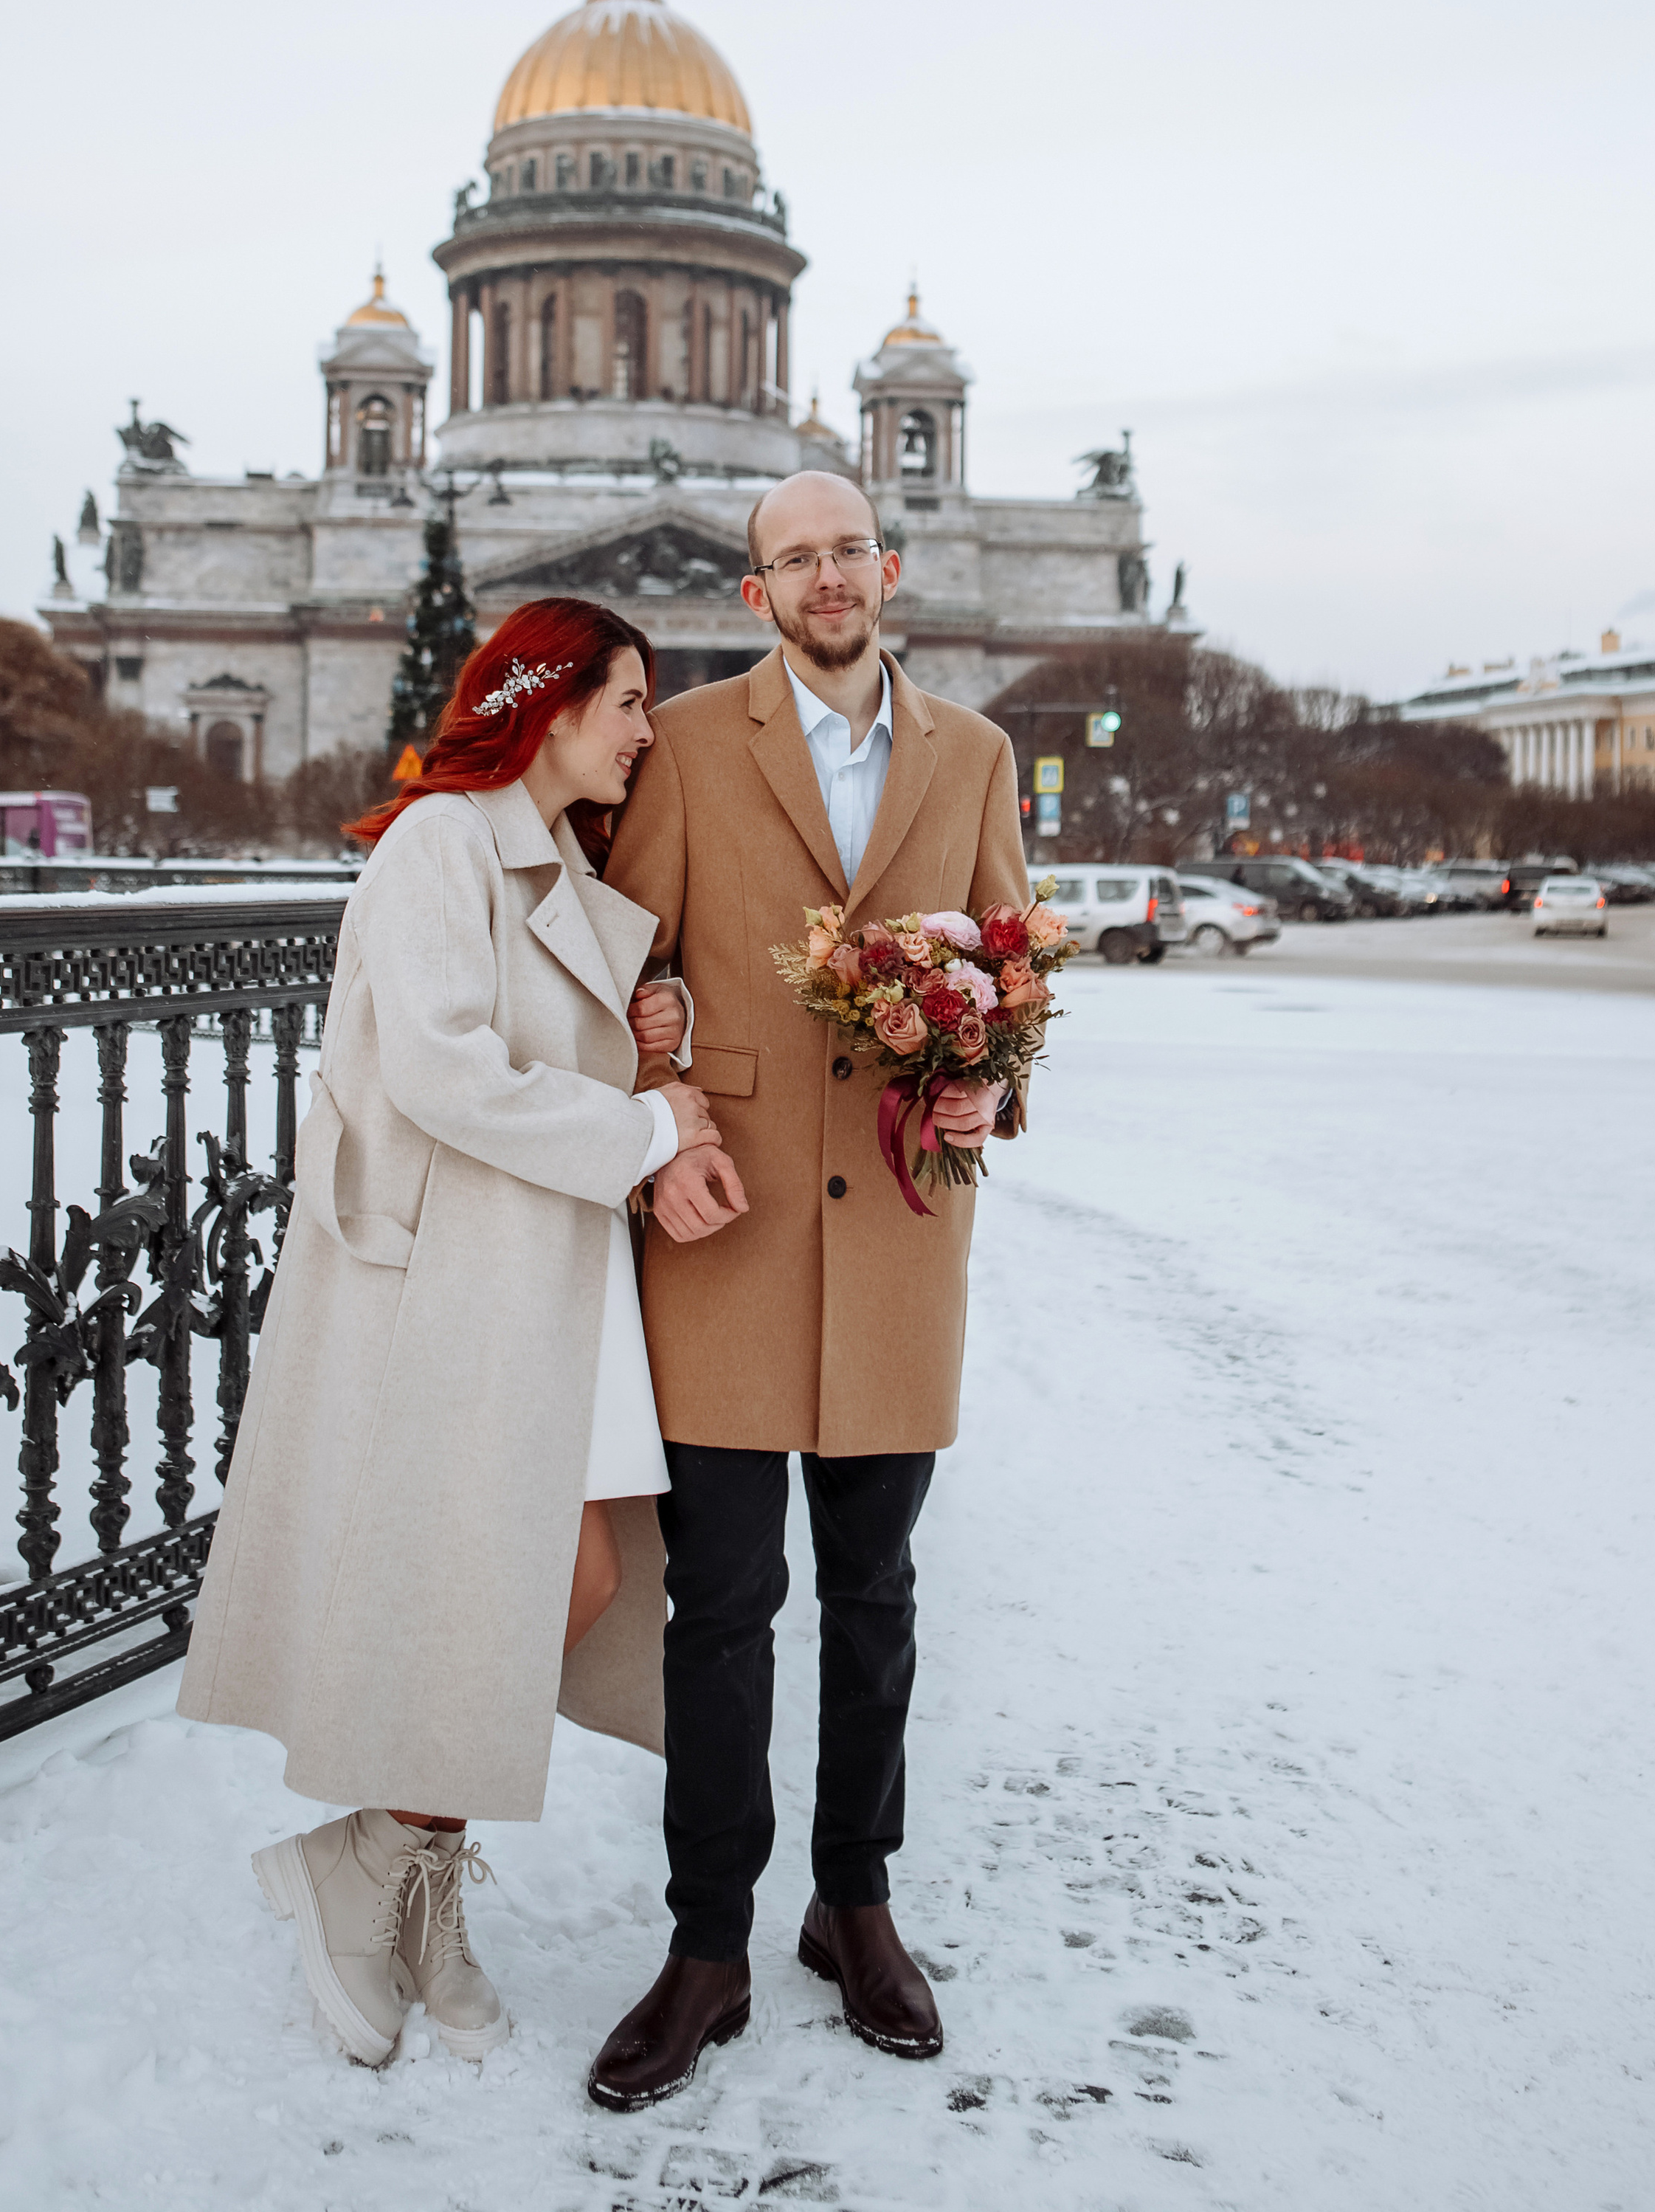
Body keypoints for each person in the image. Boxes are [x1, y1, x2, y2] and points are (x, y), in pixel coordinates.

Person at [177, 597, 739, 2070]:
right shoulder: (440, 841)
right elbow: (441, 1067)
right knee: (520, 1580)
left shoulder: (555, 853)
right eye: (628, 701)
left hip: (544, 1273)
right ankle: (389, 1870)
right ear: (549, 703)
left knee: (555, 1579)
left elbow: (553, 1037)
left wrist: (654, 1037)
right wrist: (642, 1125)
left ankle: (387, 1863)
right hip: (461, 1280)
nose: (646, 732)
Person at [587, 468, 1030, 2110]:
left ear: (886, 569)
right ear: (756, 592)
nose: (827, 577)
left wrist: (992, 1086)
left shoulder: (975, 755)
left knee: (876, 1596)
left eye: (848, 550)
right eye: (796, 559)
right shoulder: (691, 744)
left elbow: (1009, 973)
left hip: (903, 1231)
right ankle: (706, 1943)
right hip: (728, 1225)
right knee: (719, 1611)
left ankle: (855, 1906)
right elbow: (621, 967)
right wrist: (658, 1112)